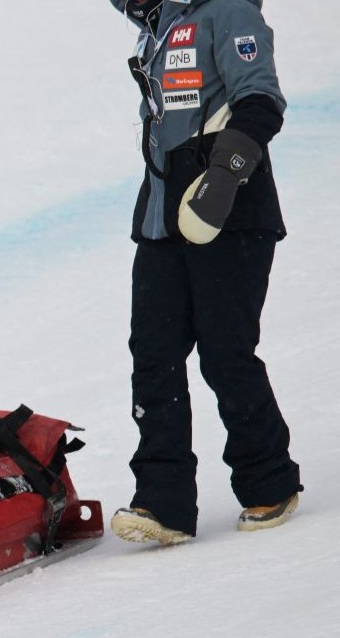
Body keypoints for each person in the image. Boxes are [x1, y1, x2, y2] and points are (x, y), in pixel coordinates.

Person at [106, 0, 302, 546]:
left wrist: (224, 176)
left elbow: (261, 101)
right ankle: (163, 503)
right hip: (162, 217)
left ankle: (269, 481)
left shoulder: (227, 11)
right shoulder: (157, 29)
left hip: (229, 213)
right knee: (154, 356)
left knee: (225, 352)